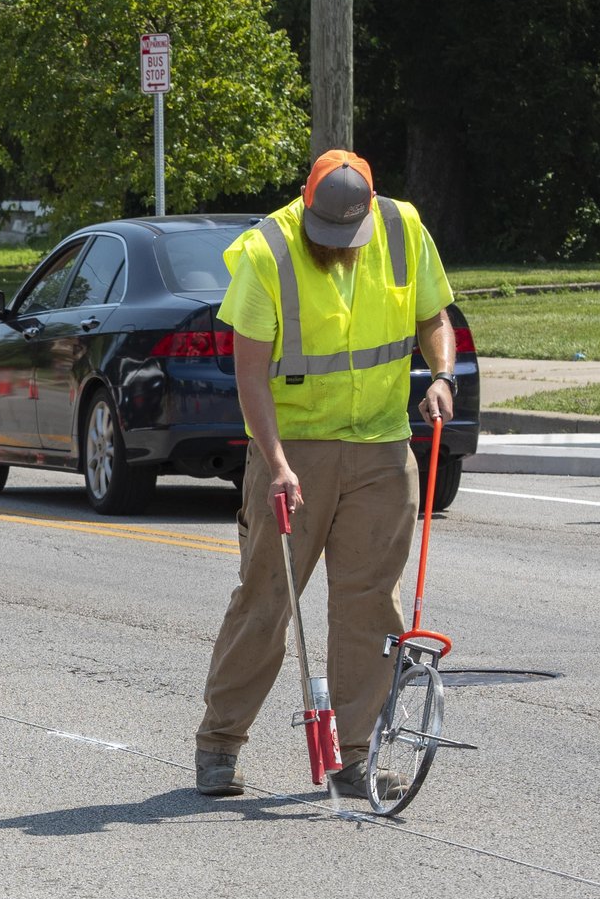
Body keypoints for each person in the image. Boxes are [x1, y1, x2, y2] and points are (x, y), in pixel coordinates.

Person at [194, 150, 456, 802]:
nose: (338, 249)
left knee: (370, 609)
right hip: (295, 451)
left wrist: (442, 375)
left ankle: (355, 754)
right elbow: (249, 372)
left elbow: (434, 317)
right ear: (307, 209)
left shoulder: (402, 230)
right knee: (266, 601)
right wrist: (275, 459)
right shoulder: (268, 251)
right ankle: (220, 743)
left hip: (380, 448)